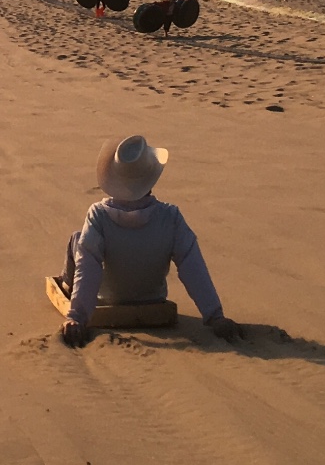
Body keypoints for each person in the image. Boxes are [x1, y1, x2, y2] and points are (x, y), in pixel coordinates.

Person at [58, 135, 243, 348]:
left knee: (78, 239)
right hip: (152, 299)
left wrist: (77, 317)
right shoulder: (170, 216)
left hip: (108, 300)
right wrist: (215, 315)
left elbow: (88, 267)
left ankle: (66, 283)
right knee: (82, 240)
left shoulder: (98, 214)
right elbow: (193, 267)